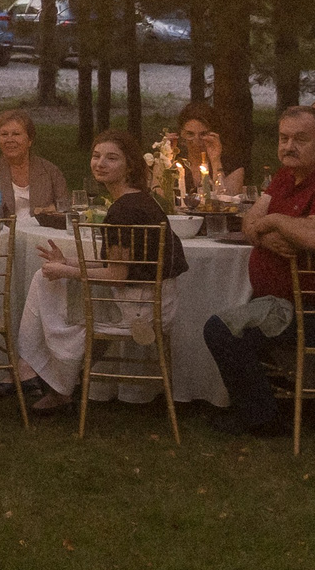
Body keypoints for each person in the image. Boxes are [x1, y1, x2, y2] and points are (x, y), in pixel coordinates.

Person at [201, 106, 315, 437]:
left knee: (223, 330)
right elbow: (249, 222)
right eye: (283, 138)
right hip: (287, 304)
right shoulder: (287, 176)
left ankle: (262, 421)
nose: (289, 146)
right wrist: (266, 235)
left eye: (300, 139)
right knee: (229, 324)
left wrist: (276, 220)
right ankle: (264, 411)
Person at [13, 131, 189, 416]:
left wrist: (66, 272)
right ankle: (54, 380)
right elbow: (123, 267)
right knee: (48, 279)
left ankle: (37, 371)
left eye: (111, 158)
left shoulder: (124, 212)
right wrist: (68, 263)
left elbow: (117, 275)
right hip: (154, 301)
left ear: (129, 166)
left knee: (44, 282)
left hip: (138, 309)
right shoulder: (140, 200)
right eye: (96, 156)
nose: (100, 163)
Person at [0, 109, 71, 218]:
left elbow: (66, 208)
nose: (9, 139)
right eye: (4, 134)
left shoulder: (50, 171)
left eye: (16, 134)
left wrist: (50, 210)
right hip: (6, 228)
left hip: (44, 228)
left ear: (29, 140)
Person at [175, 101, 246, 199]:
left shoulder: (232, 166)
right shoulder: (174, 163)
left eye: (203, 134)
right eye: (190, 134)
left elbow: (228, 200)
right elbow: (159, 200)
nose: (196, 141)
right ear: (182, 134)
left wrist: (215, 161)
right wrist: (164, 157)